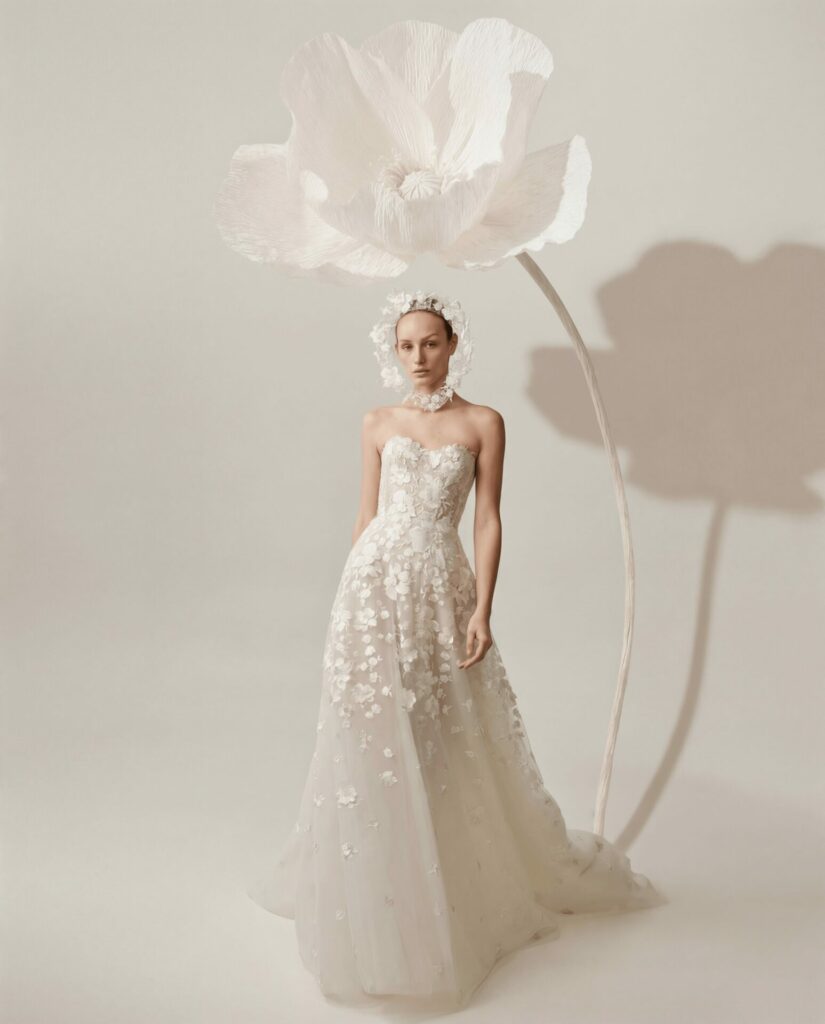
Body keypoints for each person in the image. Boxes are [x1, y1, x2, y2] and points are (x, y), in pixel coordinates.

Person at [247, 290, 667, 1008]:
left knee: (440, 727)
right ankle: (375, 884)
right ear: (394, 349)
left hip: (441, 587)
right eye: (406, 345)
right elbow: (365, 515)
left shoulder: (483, 422)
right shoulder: (377, 423)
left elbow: (489, 520)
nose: (417, 357)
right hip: (373, 588)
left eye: (430, 344)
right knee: (371, 730)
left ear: (452, 344)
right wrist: (353, 602)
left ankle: (444, 883)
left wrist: (482, 607)